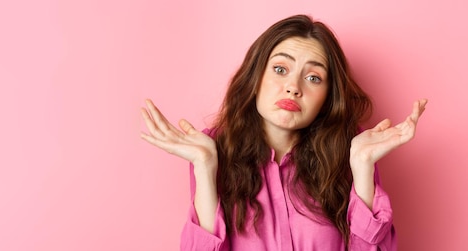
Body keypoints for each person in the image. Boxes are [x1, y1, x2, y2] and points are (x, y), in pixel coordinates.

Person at [140, 14, 427, 250]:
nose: (293, 86)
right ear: (256, 76)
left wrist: (363, 169)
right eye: (280, 69)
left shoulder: (350, 153)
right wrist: (204, 168)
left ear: (328, 96)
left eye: (313, 77)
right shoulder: (217, 149)